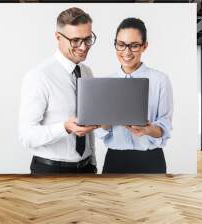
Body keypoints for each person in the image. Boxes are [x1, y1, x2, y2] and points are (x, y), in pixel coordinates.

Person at [18, 7, 98, 174]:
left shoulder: (87, 72)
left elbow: (87, 128)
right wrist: (64, 128)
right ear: (58, 37)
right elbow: (26, 136)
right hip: (50, 171)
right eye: (76, 40)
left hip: (86, 168)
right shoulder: (39, 76)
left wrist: (93, 163)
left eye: (88, 39)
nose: (83, 47)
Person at [95, 18, 174, 174]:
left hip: (151, 160)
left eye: (134, 45)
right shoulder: (107, 83)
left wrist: (148, 130)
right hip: (114, 160)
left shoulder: (160, 80)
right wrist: (105, 122)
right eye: (121, 44)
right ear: (115, 44)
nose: (127, 52)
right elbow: (100, 131)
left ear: (144, 46)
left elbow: (165, 126)